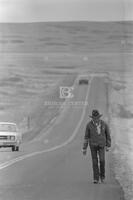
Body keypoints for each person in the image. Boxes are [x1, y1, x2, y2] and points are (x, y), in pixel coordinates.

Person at [82, 109, 111, 184]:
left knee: (102, 160)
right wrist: (84, 148)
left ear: (99, 117)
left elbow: (108, 135)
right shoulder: (89, 125)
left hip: (102, 145)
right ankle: (96, 178)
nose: (96, 119)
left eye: (97, 117)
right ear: (92, 118)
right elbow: (86, 137)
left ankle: (102, 176)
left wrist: (108, 145)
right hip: (93, 145)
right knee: (95, 162)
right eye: (94, 118)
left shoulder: (104, 124)